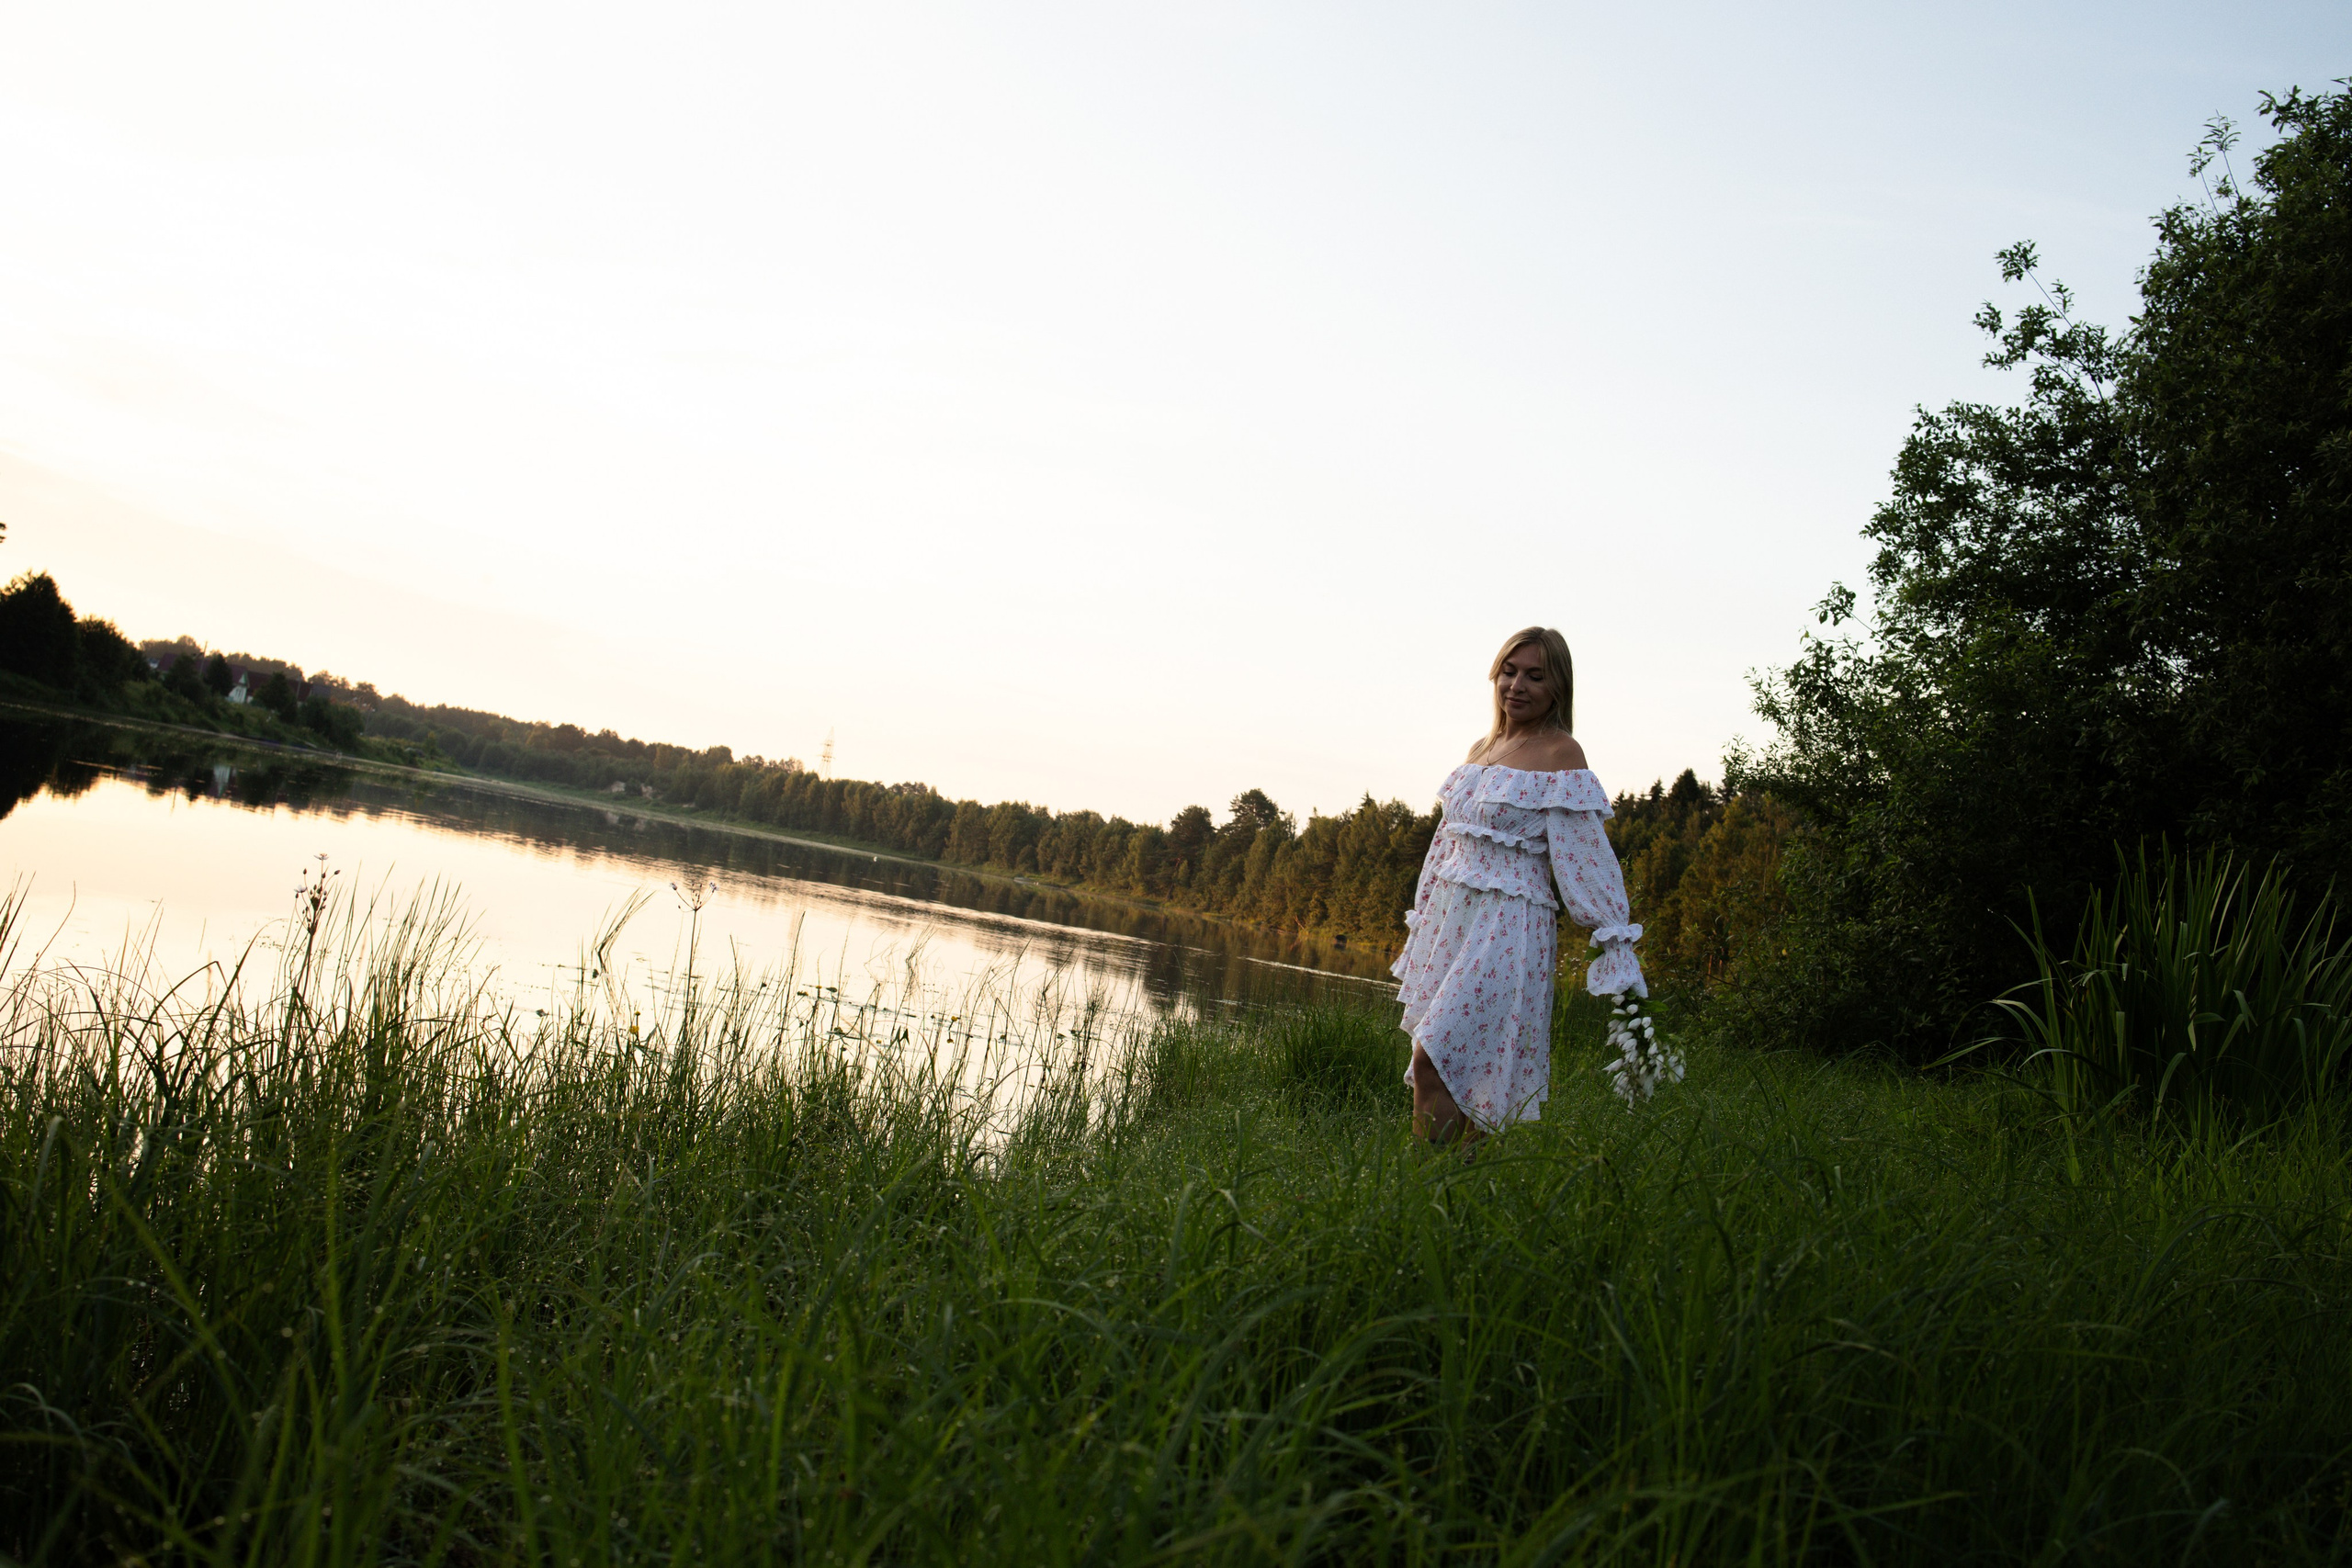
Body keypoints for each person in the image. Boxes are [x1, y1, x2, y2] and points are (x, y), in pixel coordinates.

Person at [1391, 626, 1648, 1145]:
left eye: (1535, 675)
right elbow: (1444, 846)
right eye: (1509, 672)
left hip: (1508, 928)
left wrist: (1614, 941)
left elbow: (1586, 861)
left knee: (1434, 1059)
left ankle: (1423, 1192)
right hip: (1453, 922)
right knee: (1459, 1070)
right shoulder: (1481, 749)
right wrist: (1424, 916)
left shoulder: (1561, 756)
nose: (1517, 685)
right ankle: (1450, 1201)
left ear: (1558, 688)